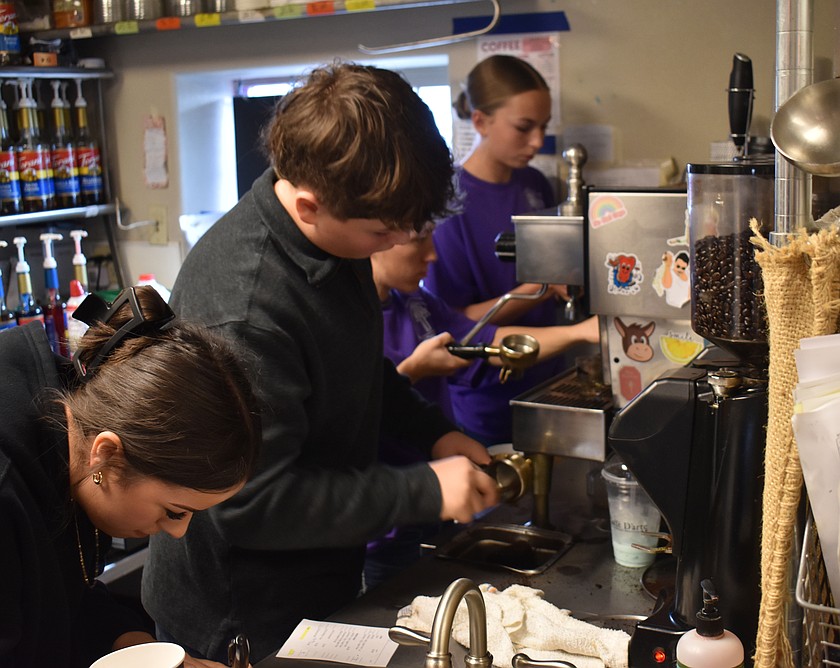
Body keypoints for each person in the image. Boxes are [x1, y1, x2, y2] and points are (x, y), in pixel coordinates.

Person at [141, 61, 500, 665]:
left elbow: (357, 370)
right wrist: (422, 490)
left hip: (320, 584)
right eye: (384, 232)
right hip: (240, 618)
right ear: (308, 206)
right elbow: (252, 505)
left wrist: (433, 433)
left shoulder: (335, 233)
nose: (394, 244)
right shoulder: (248, 310)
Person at [0, 285, 262, 668]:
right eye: (175, 511)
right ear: (106, 454)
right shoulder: (8, 487)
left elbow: (65, 597)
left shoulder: (81, 435)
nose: (178, 532)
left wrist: (135, 647)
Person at [364, 228, 599, 588]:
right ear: (378, 239)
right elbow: (358, 410)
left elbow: (492, 340)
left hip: (441, 504)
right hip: (388, 527)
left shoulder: (417, 303)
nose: (432, 255)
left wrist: (582, 332)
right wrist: (414, 370)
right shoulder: (352, 320)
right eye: (420, 240)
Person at [425, 54, 591, 445]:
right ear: (480, 120)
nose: (537, 141)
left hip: (549, 376)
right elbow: (457, 323)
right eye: (524, 127)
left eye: (544, 126)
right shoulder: (449, 205)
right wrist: (543, 287)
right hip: (487, 398)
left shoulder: (534, 184)